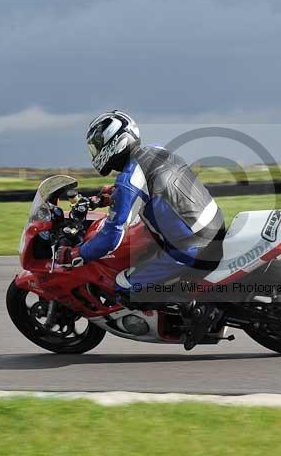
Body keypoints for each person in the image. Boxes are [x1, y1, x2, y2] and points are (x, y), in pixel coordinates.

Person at [55, 110, 225, 349]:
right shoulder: (156, 151)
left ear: (114, 143)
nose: (95, 153)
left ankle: (195, 310)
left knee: (124, 286)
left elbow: (112, 236)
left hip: (191, 246)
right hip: (211, 221)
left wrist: (78, 254)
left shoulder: (127, 181)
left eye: (97, 146)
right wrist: (110, 196)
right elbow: (151, 185)